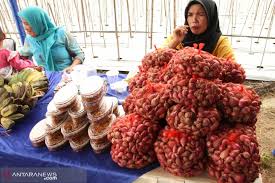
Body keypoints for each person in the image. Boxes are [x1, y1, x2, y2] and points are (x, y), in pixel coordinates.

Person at [18, 6, 85, 72]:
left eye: (26, 23)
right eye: (23, 23)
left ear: (38, 22)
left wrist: (72, 67)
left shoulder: (61, 34)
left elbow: (79, 55)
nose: (25, 27)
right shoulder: (29, 39)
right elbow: (24, 57)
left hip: (67, 77)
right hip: (46, 79)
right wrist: (34, 68)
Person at [162, 0, 235, 61]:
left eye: (201, 14)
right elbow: (157, 60)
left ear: (211, 18)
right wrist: (175, 42)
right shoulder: (178, 37)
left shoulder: (220, 42)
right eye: (190, 15)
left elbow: (233, 69)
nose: (194, 20)